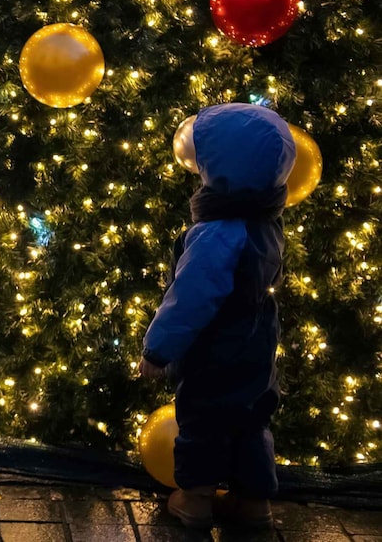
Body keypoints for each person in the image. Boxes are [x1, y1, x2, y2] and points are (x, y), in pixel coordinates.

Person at [138, 103, 296, 530]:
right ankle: (253, 502)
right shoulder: (268, 221)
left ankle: (195, 499)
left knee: (203, 417)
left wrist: (158, 349)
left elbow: (192, 297)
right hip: (258, 339)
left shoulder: (217, 232)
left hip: (217, 345)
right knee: (251, 417)